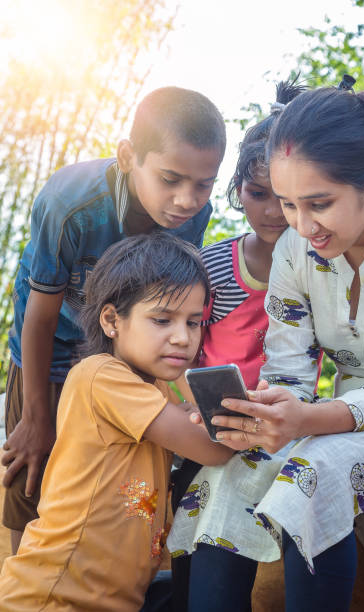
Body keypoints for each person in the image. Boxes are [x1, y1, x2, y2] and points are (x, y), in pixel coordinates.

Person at [192, 77, 364, 610]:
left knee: (317, 471)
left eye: (319, 203)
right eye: (289, 205)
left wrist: (308, 421)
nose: (301, 225)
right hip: (343, 415)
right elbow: (288, 365)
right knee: (231, 473)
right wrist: (262, 412)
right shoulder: (294, 249)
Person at [2, 85, 226, 554]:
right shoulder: (71, 203)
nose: (187, 200)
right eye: (170, 179)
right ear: (128, 157)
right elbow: (40, 318)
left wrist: (186, 393)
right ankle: (25, 572)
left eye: (203, 184)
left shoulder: (193, 214)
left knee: (126, 477)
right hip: (52, 343)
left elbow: (176, 307)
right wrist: (38, 416)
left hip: (129, 352)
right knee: (33, 468)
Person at [0, 232, 233, 611]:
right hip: (54, 596)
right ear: (112, 320)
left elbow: (203, 420)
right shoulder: (103, 376)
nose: (182, 337)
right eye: (162, 320)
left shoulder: (154, 383)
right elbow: (212, 447)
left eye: (193, 322)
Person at [168, 79, 316, 612]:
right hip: (207, 421)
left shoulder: (318, 270)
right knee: (194, 502)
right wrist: (187, 403)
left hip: (280, 426)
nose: (273, 212)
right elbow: (180, 351)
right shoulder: (212, 267)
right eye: (257, 196)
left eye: (283, 197)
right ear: (237, 193)